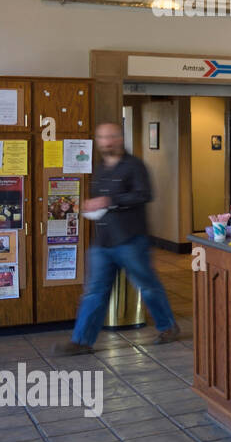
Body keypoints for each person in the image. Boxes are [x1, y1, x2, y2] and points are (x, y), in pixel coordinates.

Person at [60, 122, 179, 355]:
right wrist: (91, 205)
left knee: (147, 286)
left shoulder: (135, 166)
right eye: (102, 137)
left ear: (120, 139)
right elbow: (100, 201)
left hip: (130, 239)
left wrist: (110, 201)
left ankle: (167, 326)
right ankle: (81, 341)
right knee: (94, 291)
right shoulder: (100, 169)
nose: (106, 142)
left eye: (111, 137)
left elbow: (144, 194)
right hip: (102, 241)